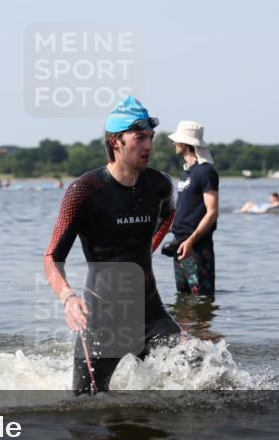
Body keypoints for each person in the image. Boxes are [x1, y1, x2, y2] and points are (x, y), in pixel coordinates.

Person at [44, 95, 182, 395]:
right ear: (115, 141)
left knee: (199, 381)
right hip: (102, 321)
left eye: (151, 137)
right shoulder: (84, 191)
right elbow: (52, 257)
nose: (148, 145)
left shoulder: (159, 185)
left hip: (150, 313)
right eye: (139, 137)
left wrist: (148, 247)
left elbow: (169, 215)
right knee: (84, 408)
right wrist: (67, 298)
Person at [166, 121, 219, 297]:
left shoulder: (205, 172)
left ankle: (203, 325)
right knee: (183, 300)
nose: (174, 144)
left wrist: (191, 240)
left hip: (197, 246)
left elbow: (212, 212)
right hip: (180, 244)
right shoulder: (186, 173)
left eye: (176, 140)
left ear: (185, 143)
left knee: (202, 299)